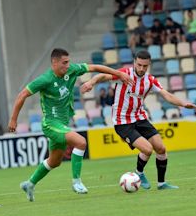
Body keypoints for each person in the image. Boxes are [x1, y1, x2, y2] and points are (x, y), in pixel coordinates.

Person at [8, 48, 134, 202]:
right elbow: (22, 95)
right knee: (81, 142)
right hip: (50, 124)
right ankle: (76, 182)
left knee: (54, 161)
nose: (68, 65)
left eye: (68, 62)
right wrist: (14, 119)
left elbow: (95, 67)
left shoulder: (72, 70)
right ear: (54, 63)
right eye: (64, 62)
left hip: (62, 123)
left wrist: (119, 73)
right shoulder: (45, 79)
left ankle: (29, 183)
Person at [81, 50, 196, 190]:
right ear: (134, 62)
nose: (141, 69)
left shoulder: (150, 80)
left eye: (145, 66)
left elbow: (166, 95)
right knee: (148, 149)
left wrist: (183, 104)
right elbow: (102, 76)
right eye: (139, 65)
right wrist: (91, 82)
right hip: (122, 121)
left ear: (149, 65)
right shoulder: (124, 74)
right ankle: (139, 173)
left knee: (161, 148)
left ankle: (161, 183)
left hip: (140, 117)